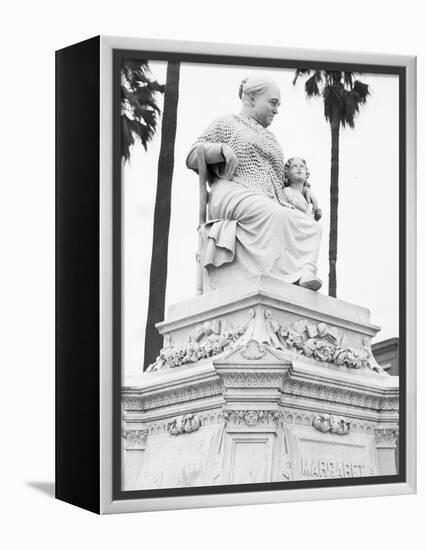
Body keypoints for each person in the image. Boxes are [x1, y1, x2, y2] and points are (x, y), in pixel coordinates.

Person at [186, 75, 322, 292]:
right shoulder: (226, 123)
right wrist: (220, 150)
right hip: (233, 190)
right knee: (274, 214)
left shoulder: (272, 138)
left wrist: (302, 191)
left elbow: (280, 183)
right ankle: (278, 277)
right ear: (250, 98)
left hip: (270, 199)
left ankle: (302, 273)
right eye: (273, 102)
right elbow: (193, 155)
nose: (276, 110)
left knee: (311, 227)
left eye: (278, 105)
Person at [283, 157, 322, 221]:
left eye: (302, 166)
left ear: (306, 174)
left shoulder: (303, 196)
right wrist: (309, 214)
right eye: (294, 166)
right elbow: (295, 204)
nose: (299, 168)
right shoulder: (287, 190)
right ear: (287, 174)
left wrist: (316, 218)